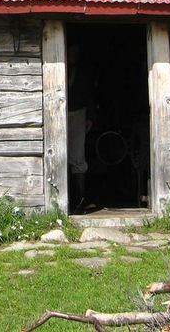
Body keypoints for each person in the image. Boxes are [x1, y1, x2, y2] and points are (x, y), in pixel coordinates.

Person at [67, 43, 96, 213]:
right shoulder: (60, 68)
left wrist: (90, 117)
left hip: (78, 113)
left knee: (77, 156)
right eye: (71, 52)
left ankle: (80, 200)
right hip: (58, 112)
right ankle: (66, 201)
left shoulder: (83, 73)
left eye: (76, 53)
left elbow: (89, 94)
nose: (73, 56)